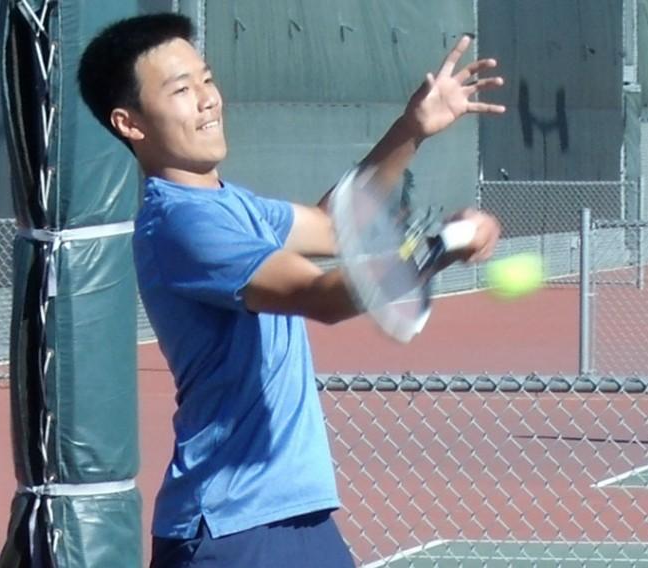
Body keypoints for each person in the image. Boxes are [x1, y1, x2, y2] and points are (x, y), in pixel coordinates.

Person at [77, 13, 504, 567]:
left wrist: (412, 128)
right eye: (182, 90)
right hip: (232, 529)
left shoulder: (233, 206)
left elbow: (332, 226)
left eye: (206, 79)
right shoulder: (181, 224)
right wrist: (442, 245)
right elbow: (320, 295)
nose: (208, 99)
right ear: (129, 123)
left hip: (296, 518)